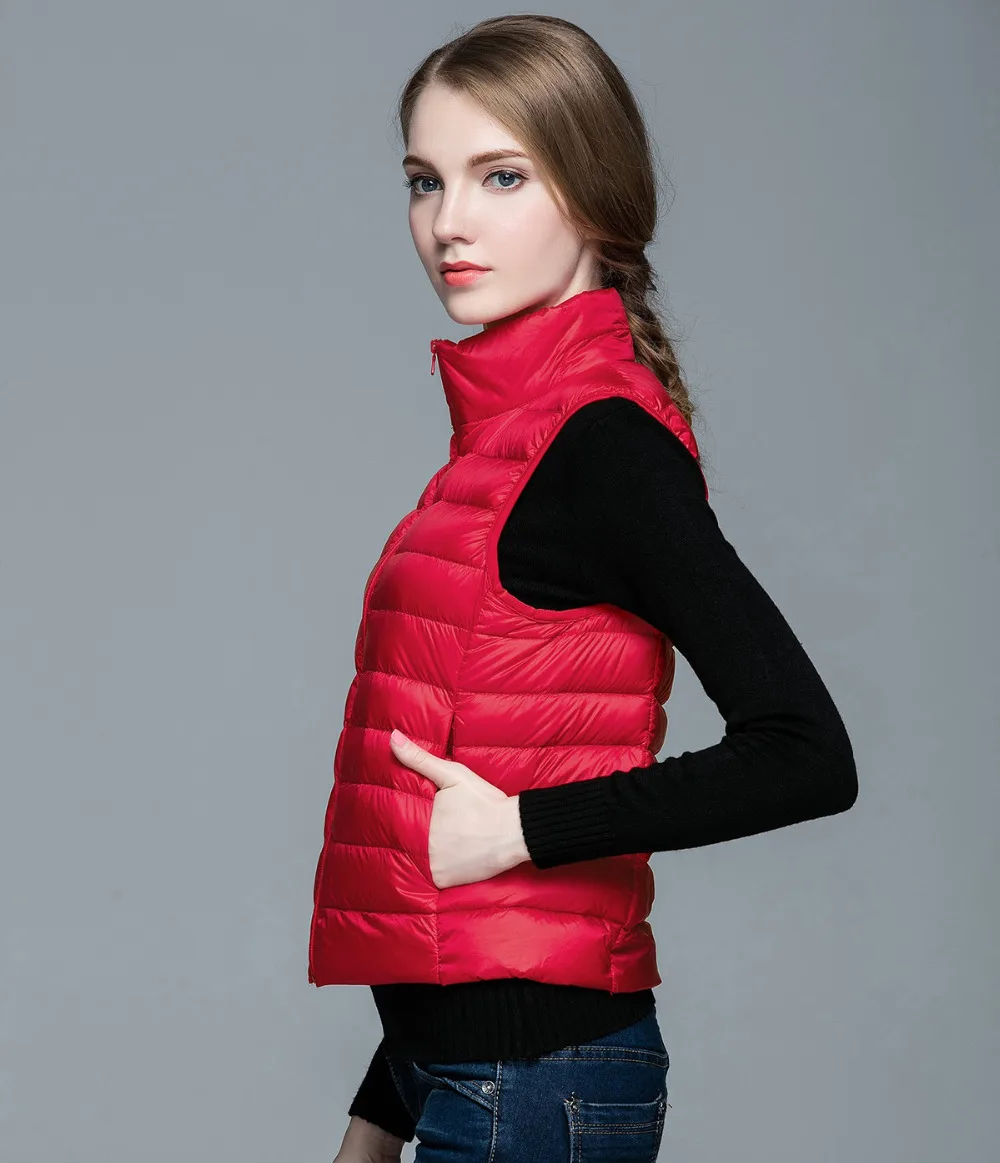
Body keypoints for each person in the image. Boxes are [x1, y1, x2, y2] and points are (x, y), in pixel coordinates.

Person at [312, 15, 858, 1163]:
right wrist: (379, 1112)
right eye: (424, 180)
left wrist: (523, 827)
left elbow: (806, 750)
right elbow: (456, 890)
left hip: (534, 1084)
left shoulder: (601, 445)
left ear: (593, 194)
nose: (447, 222)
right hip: (466, 1074)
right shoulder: (499, 447)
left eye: (499, 175)